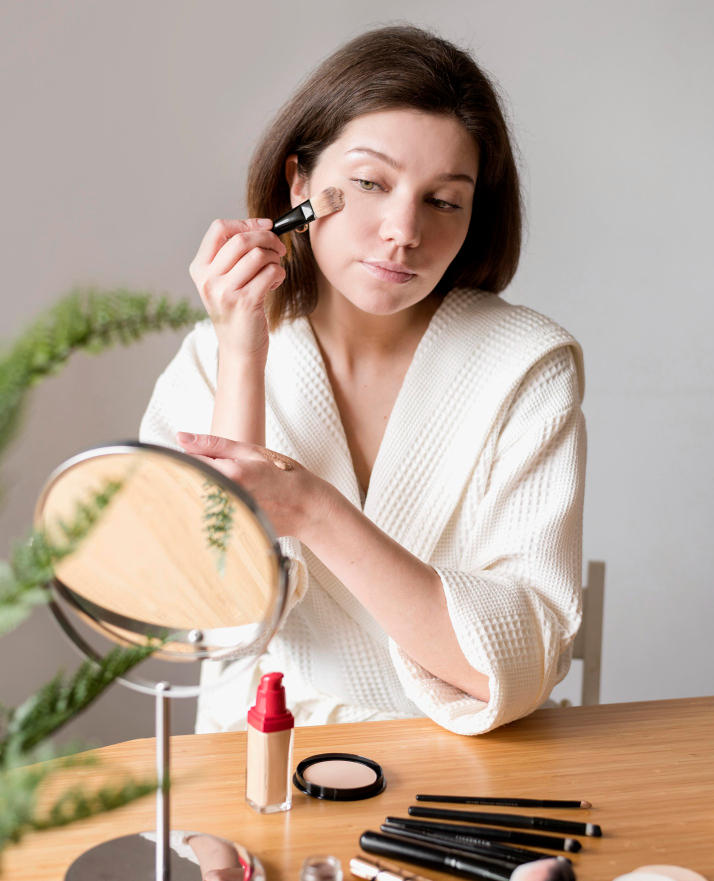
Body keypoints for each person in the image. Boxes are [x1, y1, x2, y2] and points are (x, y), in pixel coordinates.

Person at [140, 25, 586, 736]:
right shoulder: (209, 359)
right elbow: (212, 617)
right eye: (371, 183)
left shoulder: (526, 365)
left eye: (443, 201)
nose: (404, 230)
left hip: (463, 768)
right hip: (257, 751)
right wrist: (241, 355)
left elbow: (520, 661)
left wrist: (317, 512)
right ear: (299, 184)